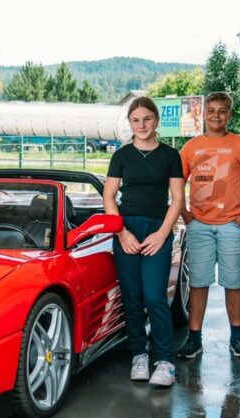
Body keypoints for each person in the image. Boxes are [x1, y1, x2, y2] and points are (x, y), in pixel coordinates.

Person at [103, 97, 185, 387]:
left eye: (147, 119)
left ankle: (165, 361)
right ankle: (139, 354)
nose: (141, 125)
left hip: (156, 230)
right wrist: (121, 232)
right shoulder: (121, 156)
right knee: (133, 297)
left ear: (156, 121)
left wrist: (162, 233)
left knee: (154, 296)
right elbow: (109, 197)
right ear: (130, 123)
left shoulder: (170, 155)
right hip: (127, 229)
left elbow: (178, 199)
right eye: (135, 120)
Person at [177, 92, 240, 359]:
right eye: (211, 110)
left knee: (233, 283)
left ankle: (237, 337)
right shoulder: (191, 147)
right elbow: (176, 186)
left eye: (222, 111)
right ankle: (194, 339)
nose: (216, 115)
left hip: (232, 225)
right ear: (203, 114)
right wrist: (186, 216)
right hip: (199, 226)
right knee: (198, 284)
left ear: (229, 115)